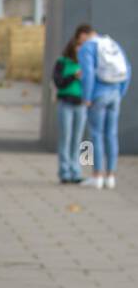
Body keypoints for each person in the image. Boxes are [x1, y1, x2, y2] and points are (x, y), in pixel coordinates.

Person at [77, 24, 131, 190]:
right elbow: (127, 69)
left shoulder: (88, 47)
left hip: (98, 94)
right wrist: (120, 92)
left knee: (95, 135)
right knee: (111, 135)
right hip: (115, 93)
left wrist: (87, 97)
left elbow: (88, 73)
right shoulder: (111, 43)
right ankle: (111, 176)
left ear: (83, 35)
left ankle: (97, 175)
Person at [53, 27, 88, 184]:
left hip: (81, 104)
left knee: (80, 139)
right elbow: (58, 83)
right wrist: (74, 76)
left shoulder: (87, 64)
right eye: (79, 46)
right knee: (65, 137)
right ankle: (64, 171)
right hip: (66, 102)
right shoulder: (62, 62)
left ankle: (78, 170)